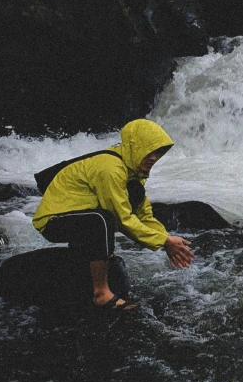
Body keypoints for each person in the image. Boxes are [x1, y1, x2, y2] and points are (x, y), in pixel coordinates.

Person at [32, 119, 194, 310]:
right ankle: (101, 293)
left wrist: (166, 238)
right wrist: (164, 242)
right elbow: (123, 219)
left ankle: (82, 258)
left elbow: (144, 216)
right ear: (135, 146)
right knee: (102, 220)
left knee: (109, 213)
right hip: (53, 220)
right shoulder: (110, 168)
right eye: (149, 150)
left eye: (158, 152)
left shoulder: (133, 173)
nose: (154, 157)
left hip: (78, 215)